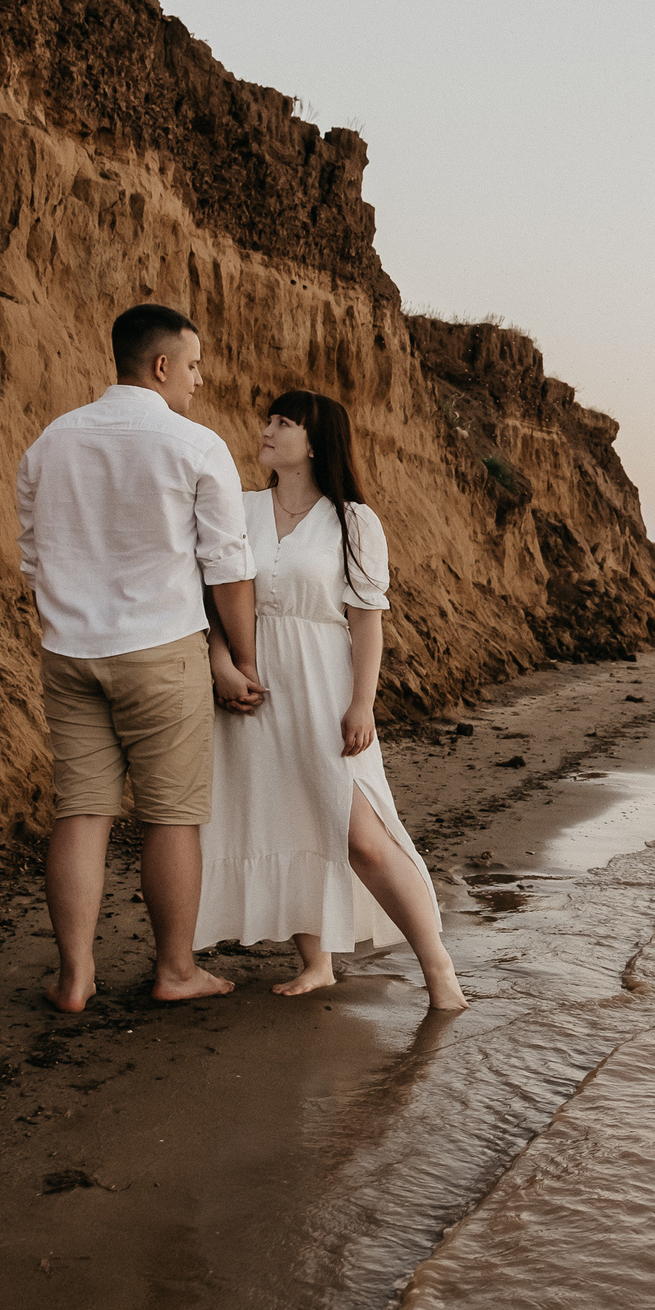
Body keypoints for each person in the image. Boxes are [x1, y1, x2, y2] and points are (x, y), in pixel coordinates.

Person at [16, 304, 262, 1012]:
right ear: (160, 366)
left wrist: (68, 627)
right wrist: (241, 658)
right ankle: (176, 970)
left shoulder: (50, 443)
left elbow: (34, 564)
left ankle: (75, 976)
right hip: (160, 651)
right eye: (192, 365)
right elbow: (227, 568)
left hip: (69, 652)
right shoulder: (195, 445)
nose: (198, 378)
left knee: (83, 812)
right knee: (171, 817)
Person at [194, 390, 468, 1010]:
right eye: (268, 418)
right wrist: (221, 663)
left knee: (364, 835)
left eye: (283, 422)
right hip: (252, 682)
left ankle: (438, 969)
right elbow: (212, 600)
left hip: (324, 683)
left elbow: (367, 621)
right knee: (282, 813)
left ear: (315, 442)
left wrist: (362, 703)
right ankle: (316, 961)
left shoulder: (354, 522)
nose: (266, 429)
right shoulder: (240, 509)